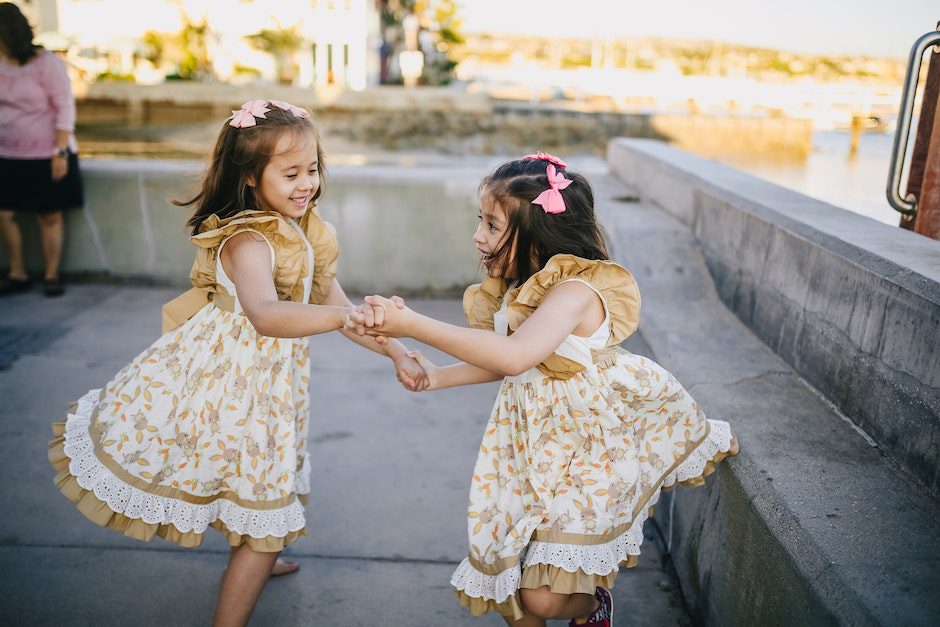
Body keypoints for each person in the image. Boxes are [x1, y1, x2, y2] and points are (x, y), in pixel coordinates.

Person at [48, 99, 426, 627]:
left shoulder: (305, 230)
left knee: (250, 481)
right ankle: (250, 570)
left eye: (313, 170)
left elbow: (338, 305)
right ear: (251, 178)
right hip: (227, 385)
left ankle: (253, 555)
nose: (306, 184)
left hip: (268, 387)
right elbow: (267, 315)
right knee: (262, 508)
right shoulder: (248, 240)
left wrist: (395, 348)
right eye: (291, 173)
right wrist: (339, 322)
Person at [348, 153, 738, 627]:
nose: (478, 236)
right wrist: (438, 376)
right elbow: (508, 363)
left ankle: (594, 605)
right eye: (481, 221)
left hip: (588, 453)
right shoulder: (517, 290)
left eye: (492, 226)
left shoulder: (575, 291)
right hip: (529, 451)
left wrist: (411, 323)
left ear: (539, 233)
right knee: (513, 590)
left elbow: (516, 356)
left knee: (543, 599)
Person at [0, 2, 84, 297]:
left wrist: (60, 152)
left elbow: (64, 107)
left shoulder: (45, 62)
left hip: (48, 153)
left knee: (48, 215)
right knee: (4, 214)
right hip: (7, 154)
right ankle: (17, 272)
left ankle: (51, 275)